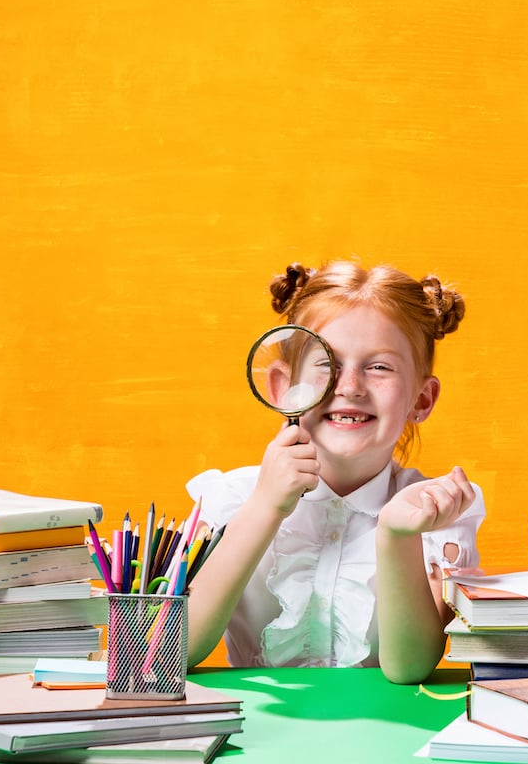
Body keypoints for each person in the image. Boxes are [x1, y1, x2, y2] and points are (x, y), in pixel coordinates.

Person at [185, 260, 485, 684]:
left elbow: (410, 667)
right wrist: (264, 509)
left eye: (379, 367)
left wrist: (398, 535)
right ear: (281, 388)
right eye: (327, 363)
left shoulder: (434, 511)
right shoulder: (231, 499)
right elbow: (175, 651)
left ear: (421, 399)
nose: (351, 386)